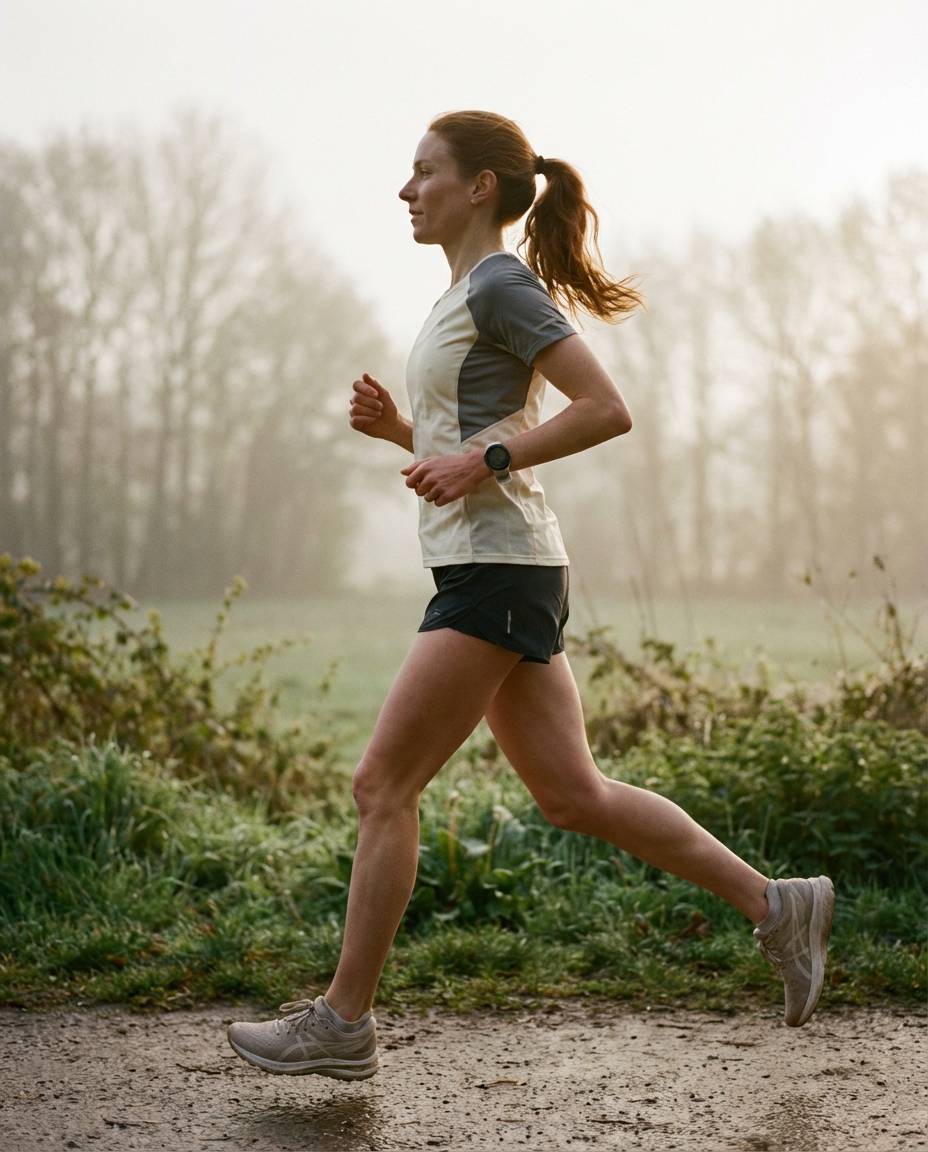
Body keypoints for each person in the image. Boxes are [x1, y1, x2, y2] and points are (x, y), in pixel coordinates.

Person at [227, 110, 835, 1080]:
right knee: (573, 795)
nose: (404, 189)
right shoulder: (463, 294)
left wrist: (481, 456)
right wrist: (405, 435)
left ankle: (341, 1024)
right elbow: (477, 443)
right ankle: (778, 905)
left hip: (496, 572)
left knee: (382, 786)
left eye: (423, 171)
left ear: (478, 189)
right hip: (504, 565)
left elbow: (604, 408)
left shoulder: (502, 284)